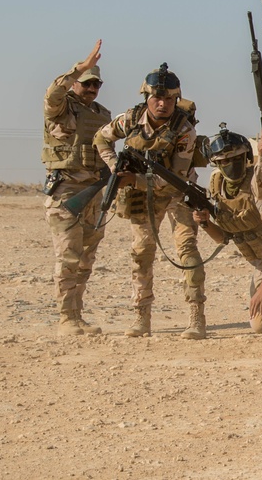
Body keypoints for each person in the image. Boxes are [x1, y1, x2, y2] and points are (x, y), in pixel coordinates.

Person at [93, 63, 208, 339]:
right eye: (157, 97)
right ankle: (141, 316)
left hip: (178, 192)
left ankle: (196, 317)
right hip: (143, 196)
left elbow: (174, 178)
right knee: (142, 251)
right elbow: (100, 138)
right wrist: (114, 170)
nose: (163, 104)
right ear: (146, 97)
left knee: (187, 250)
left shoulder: (184, 130)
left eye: (169, 98)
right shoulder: (130, 119)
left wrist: (132, 180)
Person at [42, 40, 112, 336]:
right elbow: (53, 92)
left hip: (94, 192)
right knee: (68, 256)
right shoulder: (60, 107)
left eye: (96, 83)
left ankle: (77, 314)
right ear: (75, 85)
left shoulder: (103, 115)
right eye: (86, 83)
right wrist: (78, 69)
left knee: (86, 258)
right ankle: (65, 318)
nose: (92, 88)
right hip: (67, 193)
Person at [192, 124, 262, 333]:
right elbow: (223, 238)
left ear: (246, 158)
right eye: (224, 161)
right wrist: (206, 223)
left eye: (236, 159)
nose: (231, 165)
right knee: (261, 325)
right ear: (215, 163)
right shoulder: (217, 186)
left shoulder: (258, 183)